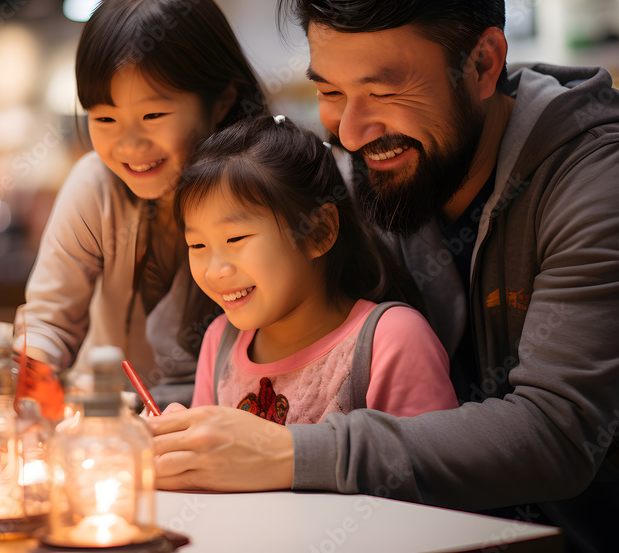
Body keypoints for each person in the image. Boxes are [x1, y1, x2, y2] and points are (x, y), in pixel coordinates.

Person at [147, 0, 619, 552]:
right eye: (331, 92)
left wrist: (290, 452)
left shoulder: (602, 173)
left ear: (483, 64)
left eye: (383, 90)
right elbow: (247, 319)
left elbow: (558, 434)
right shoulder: (372, 165)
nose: (348, 131)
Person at [16, 0, 269, 418]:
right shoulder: (96, 185)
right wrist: (26, 377)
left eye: (152, 114)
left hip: (236, 422)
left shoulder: (269, 186)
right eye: (106, 119)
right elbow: (48, 320)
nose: (129, 147)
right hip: (112, 423)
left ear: (222, 99)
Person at [169, 114, 457, 424]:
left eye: (235, 238)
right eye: (197, 246)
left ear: (318, 232)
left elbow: (425, 466)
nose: (214, 271)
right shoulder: (220, 341)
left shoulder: (391, 339)